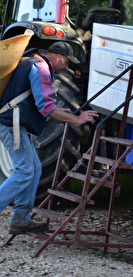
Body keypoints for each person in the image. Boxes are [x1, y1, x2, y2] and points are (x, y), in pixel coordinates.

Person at [0, 41, 99, 235]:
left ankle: (21, 219)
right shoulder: (41, 69)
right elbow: (47, 107)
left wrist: (57, 111)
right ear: (58, 56)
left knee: (34, 169)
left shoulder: (30, 62)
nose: (67, 67)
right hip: (12, 126)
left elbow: (31, 101)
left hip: (16, 124)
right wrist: (77, 119)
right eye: (67, 62)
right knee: (24, 171)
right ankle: (20, 217)